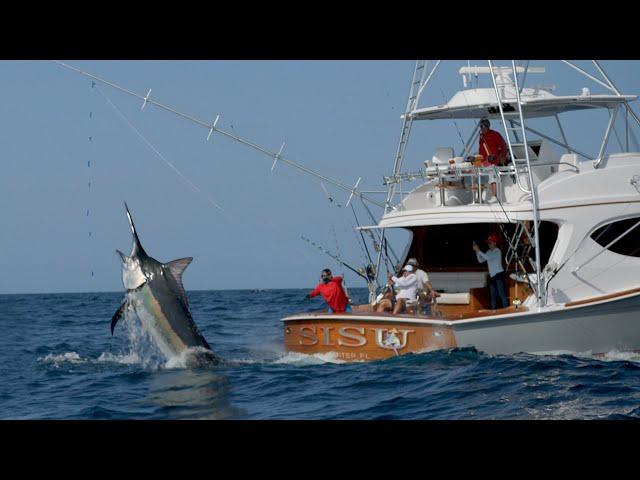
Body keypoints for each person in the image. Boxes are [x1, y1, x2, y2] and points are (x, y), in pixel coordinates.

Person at [473, 234, 509, 310]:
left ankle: (506, 311)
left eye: (490, 242)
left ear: (495, 243)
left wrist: (478, 251)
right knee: (493, 296)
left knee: (501, 294)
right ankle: (493, 312)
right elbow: (481, 260)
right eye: (488, 242)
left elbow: (488, 258)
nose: (489, 244)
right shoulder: (489, 251)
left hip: (499, 275)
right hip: (492, 276)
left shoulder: (497, 251)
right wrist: (477, 252)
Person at [477, 118, 507, 202]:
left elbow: (503, 146)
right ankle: (479, 198)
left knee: (493, 177)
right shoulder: (481, 136)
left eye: (483, 126)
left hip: (492, 161)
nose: (482, 128)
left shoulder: (495, 134)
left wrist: (502, 156)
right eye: (481, 126)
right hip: (483, 161)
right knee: (480, 178)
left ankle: (495, 196)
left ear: (487, 126)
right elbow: (481, 149)